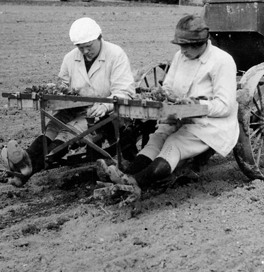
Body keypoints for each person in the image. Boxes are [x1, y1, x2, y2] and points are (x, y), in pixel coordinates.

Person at [96, 14, 239, 198]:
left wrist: (197, 104)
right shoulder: (180, 56)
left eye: (185, 46)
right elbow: (169, 85)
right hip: (178, 116)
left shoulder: (222, 61)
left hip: (208, 124)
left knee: (174, 143)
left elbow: (225, 105)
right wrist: (165, 95)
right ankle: (126, 176)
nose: (182, 51)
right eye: (180, 46)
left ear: (200, 43)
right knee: (156, 139)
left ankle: (136, 181)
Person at [1, 17, 136, 187]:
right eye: (81, 48)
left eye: (89, 46)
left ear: (99, 37)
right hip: (73, 107)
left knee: (69, 132)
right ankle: (25, 160)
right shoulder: (70, 58)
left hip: (103, 112)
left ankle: (27, 172)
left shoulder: (116, 54)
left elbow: (124, 91)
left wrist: (105, 105)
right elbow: (63, 86)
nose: (85, 51)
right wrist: (53, 90)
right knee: (53, 127)